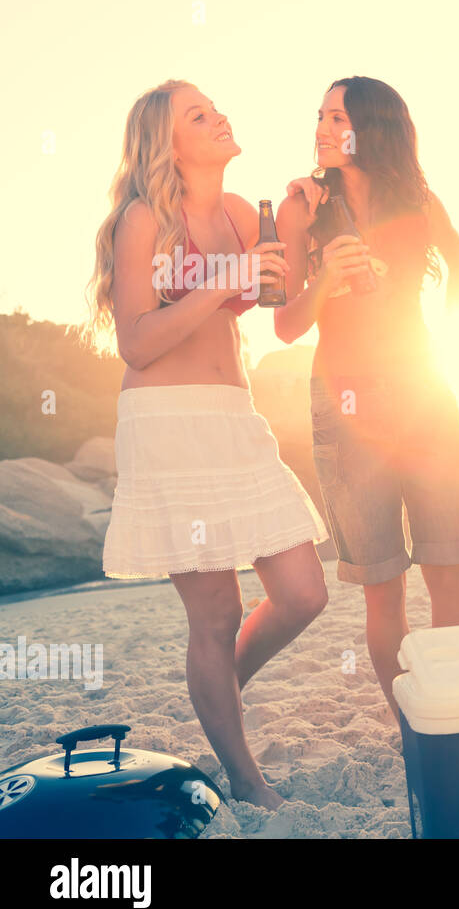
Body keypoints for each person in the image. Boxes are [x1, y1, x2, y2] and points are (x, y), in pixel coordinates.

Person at [87, 80, 329, 809]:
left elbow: (276, 305)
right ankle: (247, 780)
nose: (218, 114)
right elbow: (137, 339)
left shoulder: (236, 211)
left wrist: (308, 242)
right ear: (169, 146)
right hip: (168, 422)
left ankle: (220, 684)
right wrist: (227, 276)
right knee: (216, 615)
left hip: (234, 415)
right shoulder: (143, 221)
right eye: (198, 115)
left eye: (213, 104)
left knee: (303, 592)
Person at [275, 77, 459, 723]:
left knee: (448, 570)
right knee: (382, 586)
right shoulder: (301, 207)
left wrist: (441, 328)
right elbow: (285, 325)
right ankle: (413, 728)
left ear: (373, 126)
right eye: (319, 115)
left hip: (423, 393)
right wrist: (327, 278)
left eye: (336, 116)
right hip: (346, 405)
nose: (321, 127)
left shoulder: (418, 199)